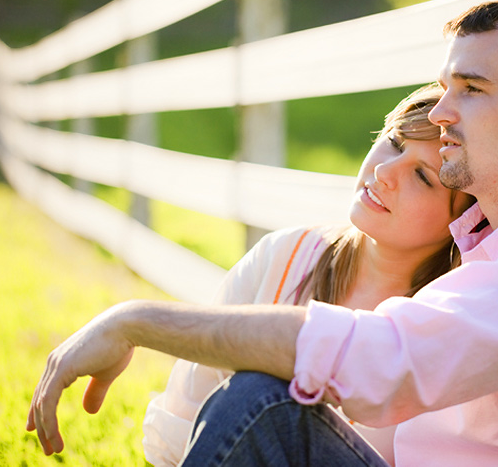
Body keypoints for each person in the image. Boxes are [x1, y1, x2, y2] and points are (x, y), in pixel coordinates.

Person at [27, 0, 498, 466]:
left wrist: (135, 321)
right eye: (445, 87)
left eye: (471, 89)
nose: (442, 112)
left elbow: (385, 359)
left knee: (264, 405)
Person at [142, 84, 473, 466]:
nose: (384, 172)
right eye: (395, 143)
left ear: (461, 221)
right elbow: (185, 418)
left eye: (422, 176)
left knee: (258, 393)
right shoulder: (286, 255)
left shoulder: (447, 323)